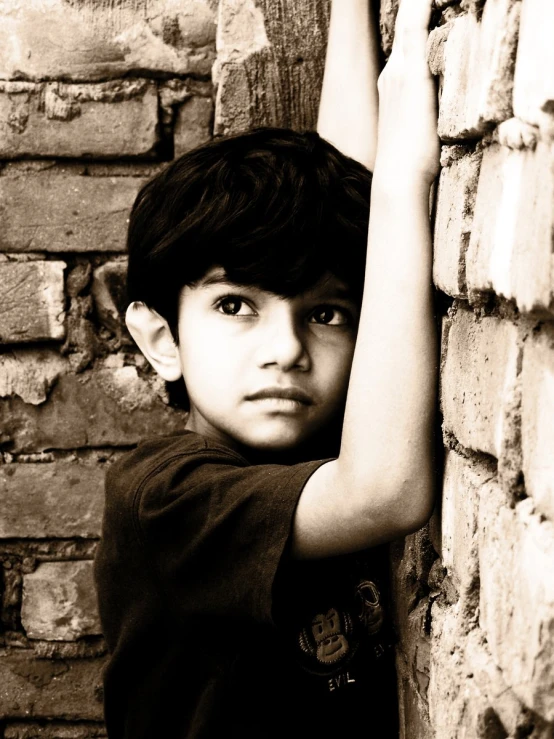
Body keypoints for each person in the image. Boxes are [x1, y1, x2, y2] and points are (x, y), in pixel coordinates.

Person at [94, 0, 440, 736]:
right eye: (235, 306)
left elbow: (342, 192)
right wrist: (407, 176)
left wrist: (355, 11)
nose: (287, 348)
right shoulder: (167, 496)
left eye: (325, 315)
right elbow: (385, 493)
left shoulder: (312, 429)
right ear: (161, 338)